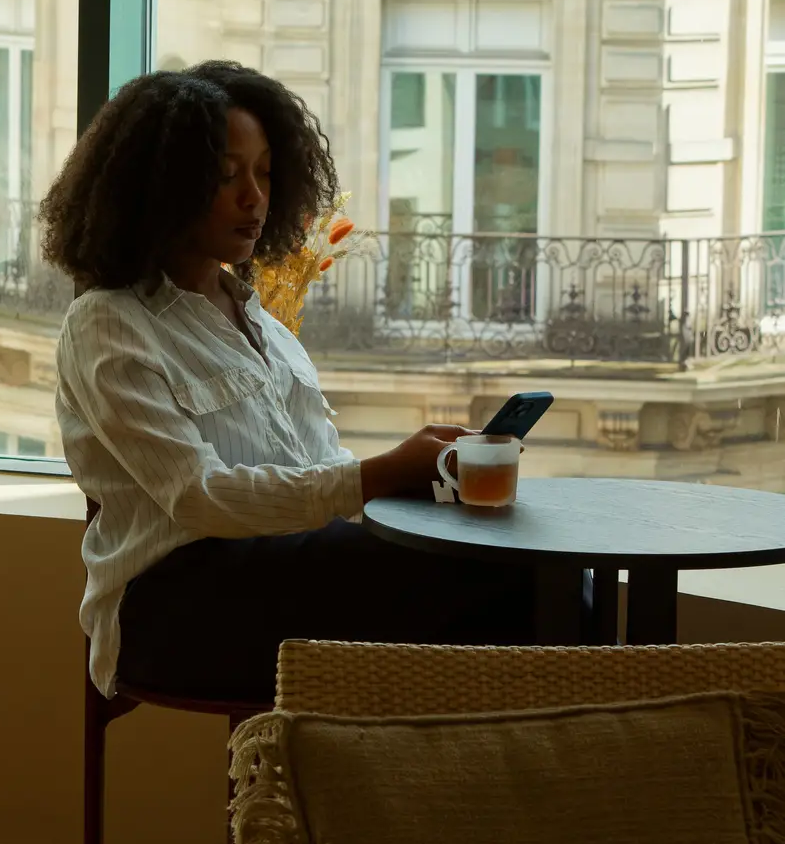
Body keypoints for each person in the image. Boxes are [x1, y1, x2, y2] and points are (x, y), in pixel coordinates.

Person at [45, 62, 538, 706]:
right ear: (159, 186)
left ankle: (508, 778)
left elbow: (318, 470)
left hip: (287, 574)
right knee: (492, 582)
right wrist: (381, 474)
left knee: (528, 570)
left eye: (266, 172)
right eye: (225, 176)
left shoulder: (262, 325)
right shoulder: (109, 323)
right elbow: (200, 497)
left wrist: (425, 480)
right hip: (175, 605)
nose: (254, 197)